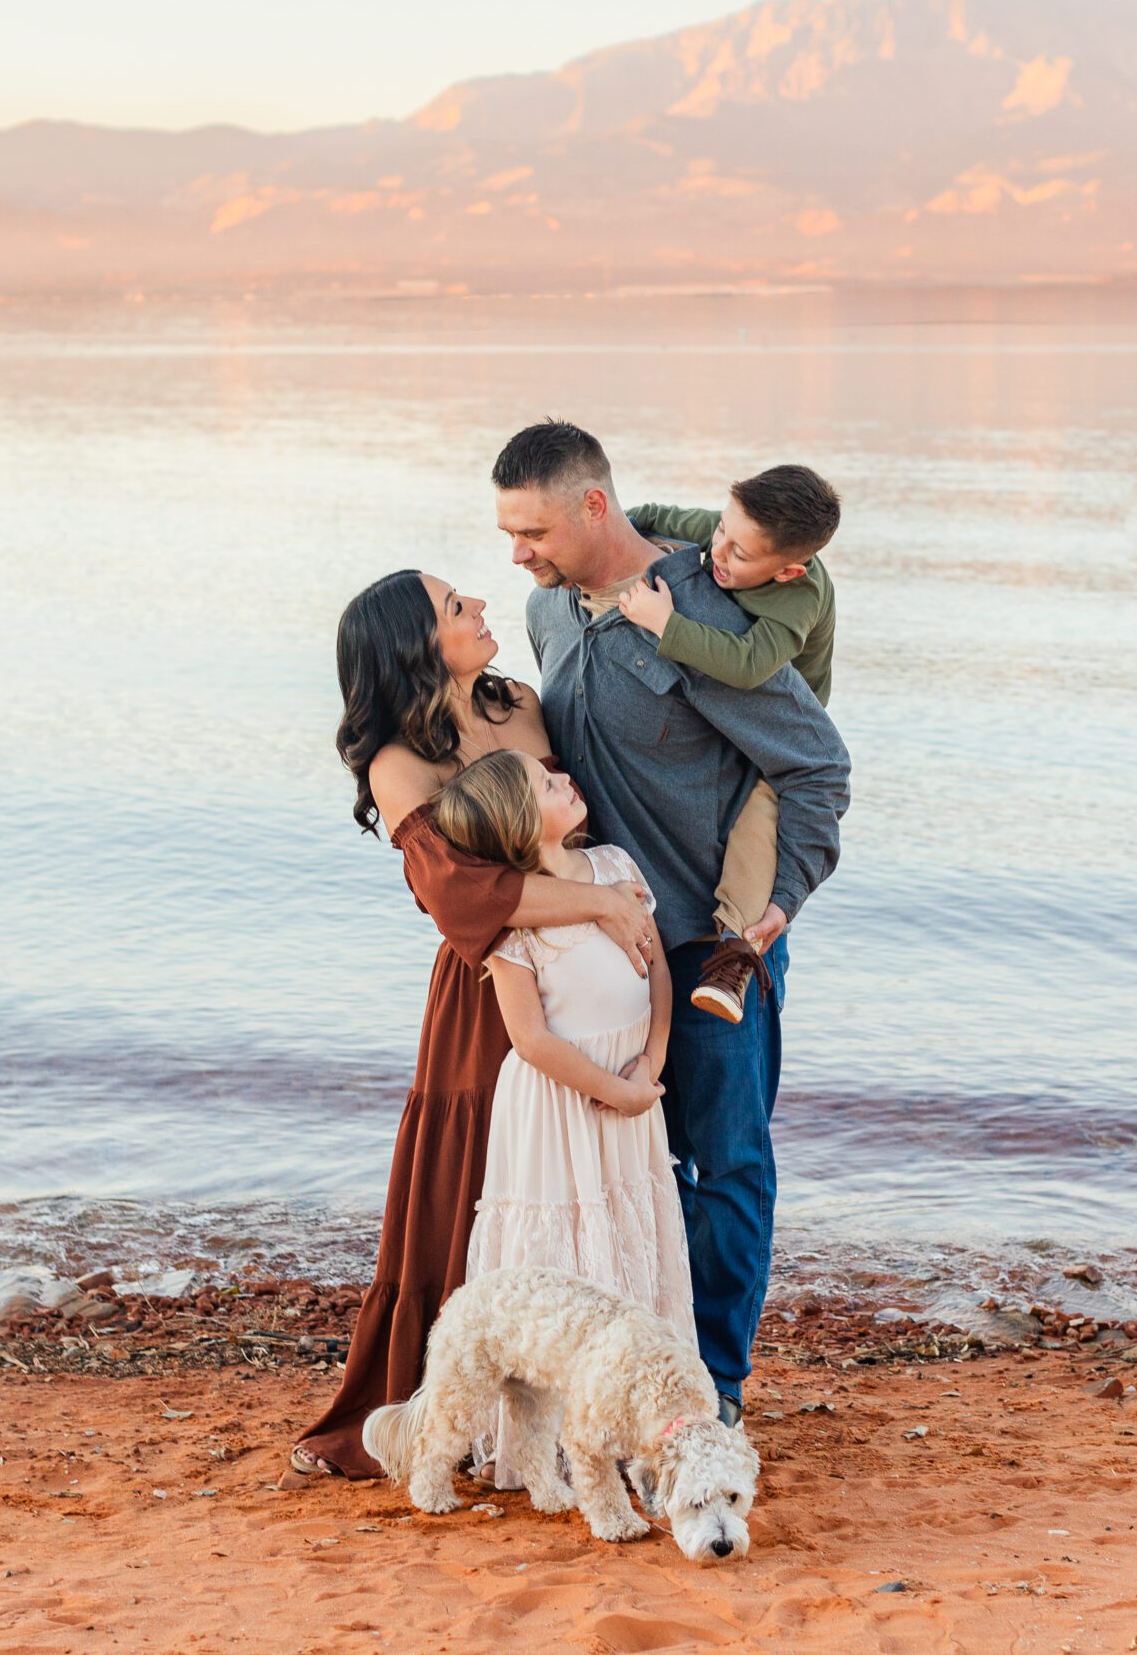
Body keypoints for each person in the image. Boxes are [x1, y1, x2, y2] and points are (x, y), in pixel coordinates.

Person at [494, 420, 851, 1426]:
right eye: (509, 532)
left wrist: (779, 906)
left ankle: (714, 1389)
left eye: (533, 531)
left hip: (708, 945)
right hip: (595, 951)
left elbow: (814, 763)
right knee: (613, 1173)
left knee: (725, 1165)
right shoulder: (547, 611)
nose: (518, 554)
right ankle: (618, 1373)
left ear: (592, 508)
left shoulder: (708, 614)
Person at [287, 570, 657, 1482]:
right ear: (416, 642)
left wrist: (617, 908)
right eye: (457, 607)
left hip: (582, 979)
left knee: (581, 1180)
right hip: (493, 986)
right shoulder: (397, 759)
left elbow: (569, 821)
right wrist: (598, 904)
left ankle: (590, 1401)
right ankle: (442, 1410)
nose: (482, 607)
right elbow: (457, 892)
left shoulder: (522, 703)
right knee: (476, 1182)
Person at [428, 748, 694, 1486]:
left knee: (627, 1236)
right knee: (562, 1257)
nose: (566, 779)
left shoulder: (614, 867)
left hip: (631, 1089)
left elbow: (658, 966)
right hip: (559, 1103)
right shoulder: (515, 922)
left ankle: (636, 1421)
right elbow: (531, 1039)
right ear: (520, 824)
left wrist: (652, 1063)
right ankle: (547, 1452)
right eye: (547, 785)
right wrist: (607, 1088)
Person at [613, 465, 842, 1024]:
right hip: (724, 722)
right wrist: (621, 533)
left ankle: (736, 952)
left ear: (787, 571)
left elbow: (746, 666)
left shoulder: (798, 600)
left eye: (740, 554)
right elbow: (659, 518)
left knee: (757, 825)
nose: (719, 550)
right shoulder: (725, 532)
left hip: (774, 735)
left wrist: (664, 624)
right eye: (721, 532)